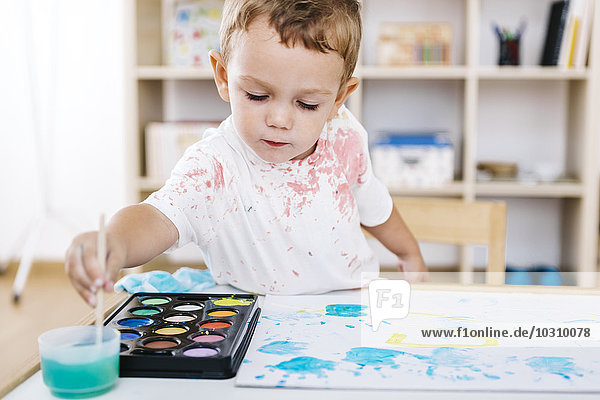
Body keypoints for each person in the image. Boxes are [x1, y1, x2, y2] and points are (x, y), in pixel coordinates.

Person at [65, 0, 428, 307]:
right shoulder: (214, 167)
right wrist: (113, 240)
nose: (279, 119)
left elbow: (375, 205)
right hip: (253, 321)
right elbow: (157, 218)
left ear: (338, 99)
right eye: (257, 96)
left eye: (307, 104)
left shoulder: (345, 137)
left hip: (350, 308)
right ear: (223, 76)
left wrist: (409, 254)